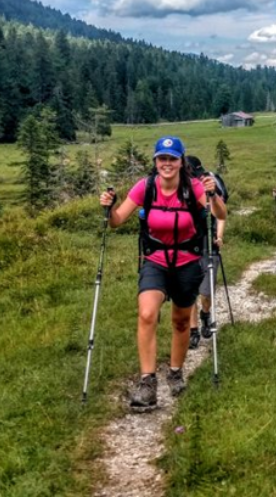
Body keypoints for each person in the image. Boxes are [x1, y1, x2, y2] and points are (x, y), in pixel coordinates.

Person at [99, 136, 226, 411]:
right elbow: (117, 221)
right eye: (162, 158)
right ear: (155, 161)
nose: (166, 164)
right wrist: (109, 208)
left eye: (172, 159)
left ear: (181, 162)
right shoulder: (145, 187)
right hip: (155, 260)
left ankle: (175, 372)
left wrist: (213, 194)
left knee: (181, 321)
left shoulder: (193, 187)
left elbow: (220, 213)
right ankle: (147, 382)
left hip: (187, 261)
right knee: (147, 314)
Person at [184, 155, 227, 350]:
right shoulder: (179, 188)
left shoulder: (210, 185)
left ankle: (205, 315)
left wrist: (219, 236)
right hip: (186, 245)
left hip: (208, 242)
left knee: (205, 290)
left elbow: (221, 214)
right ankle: (193, 330)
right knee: (189, 291)